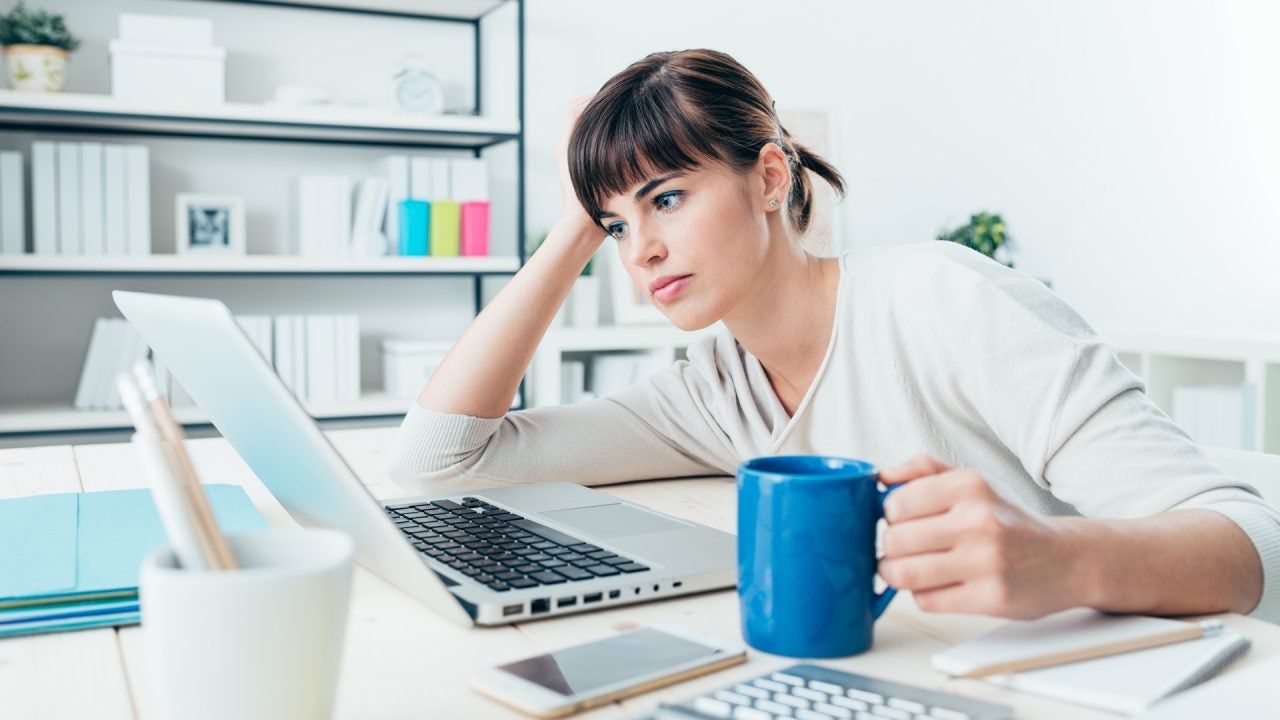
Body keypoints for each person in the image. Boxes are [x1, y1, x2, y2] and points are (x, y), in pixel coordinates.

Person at [388, 48, 1278, 623]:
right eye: (617, 227)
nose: (641, 248)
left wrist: (1065, 559)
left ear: (770, 178)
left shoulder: (942, 299)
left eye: (666, 198)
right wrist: (574, 224)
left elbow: (1253, 549)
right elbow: (441, 460)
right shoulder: (713, 389)